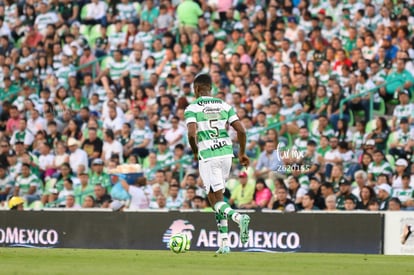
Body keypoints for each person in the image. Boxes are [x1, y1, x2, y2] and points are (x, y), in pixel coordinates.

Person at [185, 73, 250, 254]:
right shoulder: (224, 105)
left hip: (209, 156)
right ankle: (224, 243)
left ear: (196, 89)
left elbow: (191, 134)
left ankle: (238, 217)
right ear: (210, 88)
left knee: (214, 200)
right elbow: (241, 130)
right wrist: (242, 153)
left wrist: (196, 150)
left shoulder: (193, 108)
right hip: (226, 154)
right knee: (218, 198)